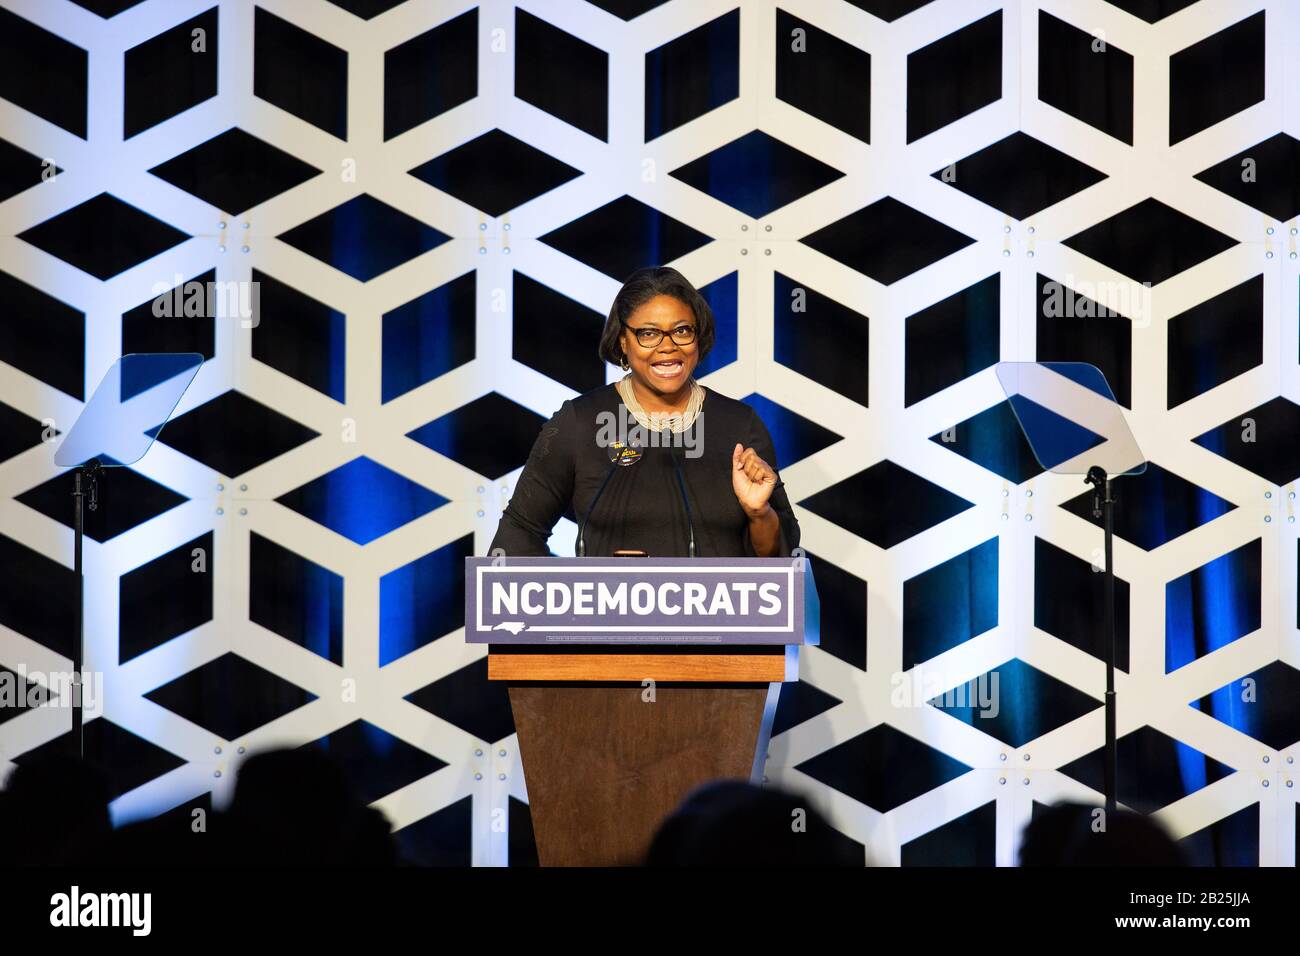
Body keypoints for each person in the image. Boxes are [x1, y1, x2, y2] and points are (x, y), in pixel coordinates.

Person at [491, 266, 800, 558]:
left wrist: (759, 513)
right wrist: (558, 604)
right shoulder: (580, 423)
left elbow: (779, 558)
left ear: (698, 337)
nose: (668, 346)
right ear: (623, 341)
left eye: (682, 330)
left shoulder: (739, 426)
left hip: (717, 615)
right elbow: (518, 531)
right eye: (648, 334)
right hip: (604, 615)